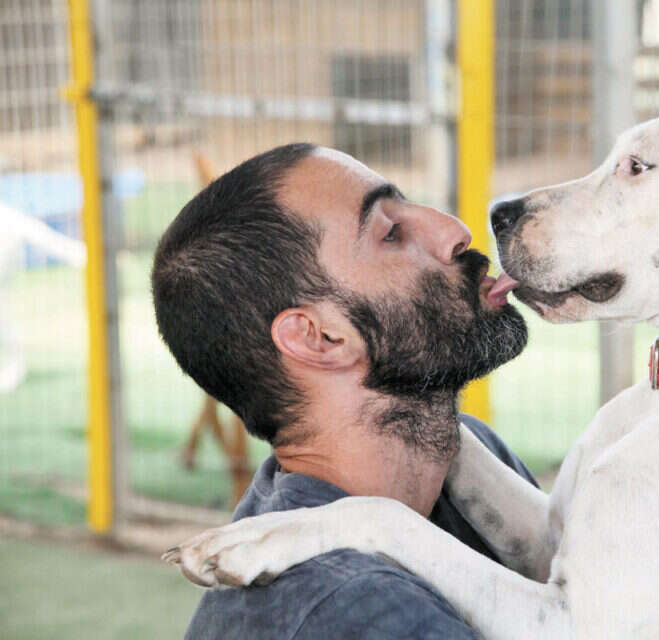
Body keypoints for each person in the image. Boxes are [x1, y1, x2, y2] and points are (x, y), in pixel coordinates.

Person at [151, 143, 533, 639]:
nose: (455, 231)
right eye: (391, 233)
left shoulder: (466, 459)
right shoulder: (347, 611)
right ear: (320, 337)